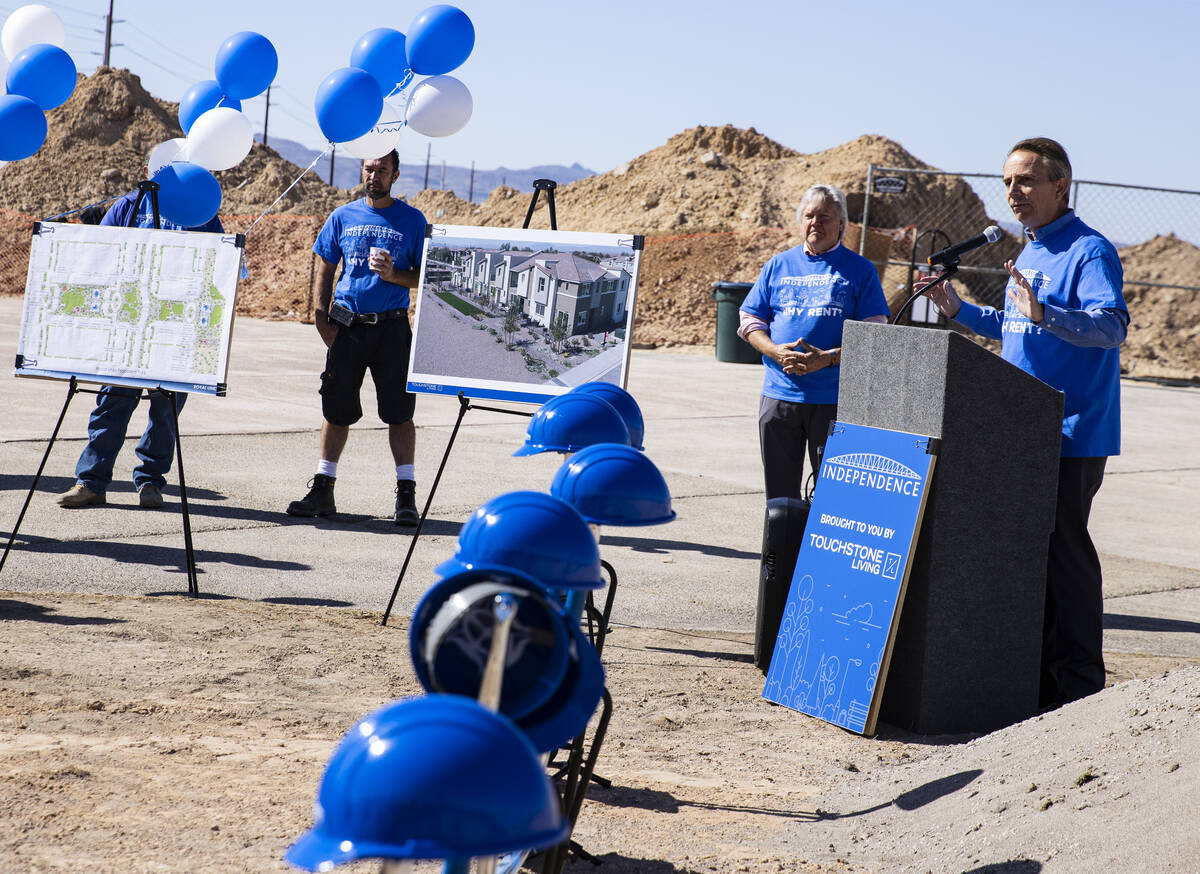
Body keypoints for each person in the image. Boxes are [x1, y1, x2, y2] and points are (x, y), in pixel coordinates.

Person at [925, 137, 1128, 711]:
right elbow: (1020, 326)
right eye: (1008, 181)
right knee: (1028, 559)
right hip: (1020, 430)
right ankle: (1035, 682)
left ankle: (1080, 686)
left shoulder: (1088, 251)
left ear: (1061, 186)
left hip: (1071, 433)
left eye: (1027, 181)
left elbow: (1110, 326)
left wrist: (1046, 312)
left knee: (1065, 555)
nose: (1013, 192)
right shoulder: (1032, 249)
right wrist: (960, 310)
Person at [57, 175, 226, 510]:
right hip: (127, 326)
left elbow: (220, 271)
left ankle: (150, 481)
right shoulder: (129, 205)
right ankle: (91, 482)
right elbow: (97, 255)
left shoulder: (200, 211)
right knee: (111, 404)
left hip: (175, 329)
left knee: (165, 412)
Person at [286, 149, 427, 526]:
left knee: (399, 413)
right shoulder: (342, 216)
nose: (374, 175)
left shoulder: (413, 220)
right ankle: (323, 488)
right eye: (369, 169)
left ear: (396, 174)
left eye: (382, 170)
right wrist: (319, 317)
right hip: (346, 325)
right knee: (336, 409)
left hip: (393, 327)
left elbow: (426, 276)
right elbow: (325, 266)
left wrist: (395, 275)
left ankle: (406, 496)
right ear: (362, 171)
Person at [738, 184, 890, 500]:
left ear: (841, 224)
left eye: (824, 216)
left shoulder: (860, 270)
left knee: (833, 497)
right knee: (780, 498)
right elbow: (750, 321)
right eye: (809, 216)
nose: (815, 223)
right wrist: (774, 351)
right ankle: (781, 549)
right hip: (779, 397)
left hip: (833, 400)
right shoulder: (778, 265)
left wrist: (829, 358)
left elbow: (875, 336)